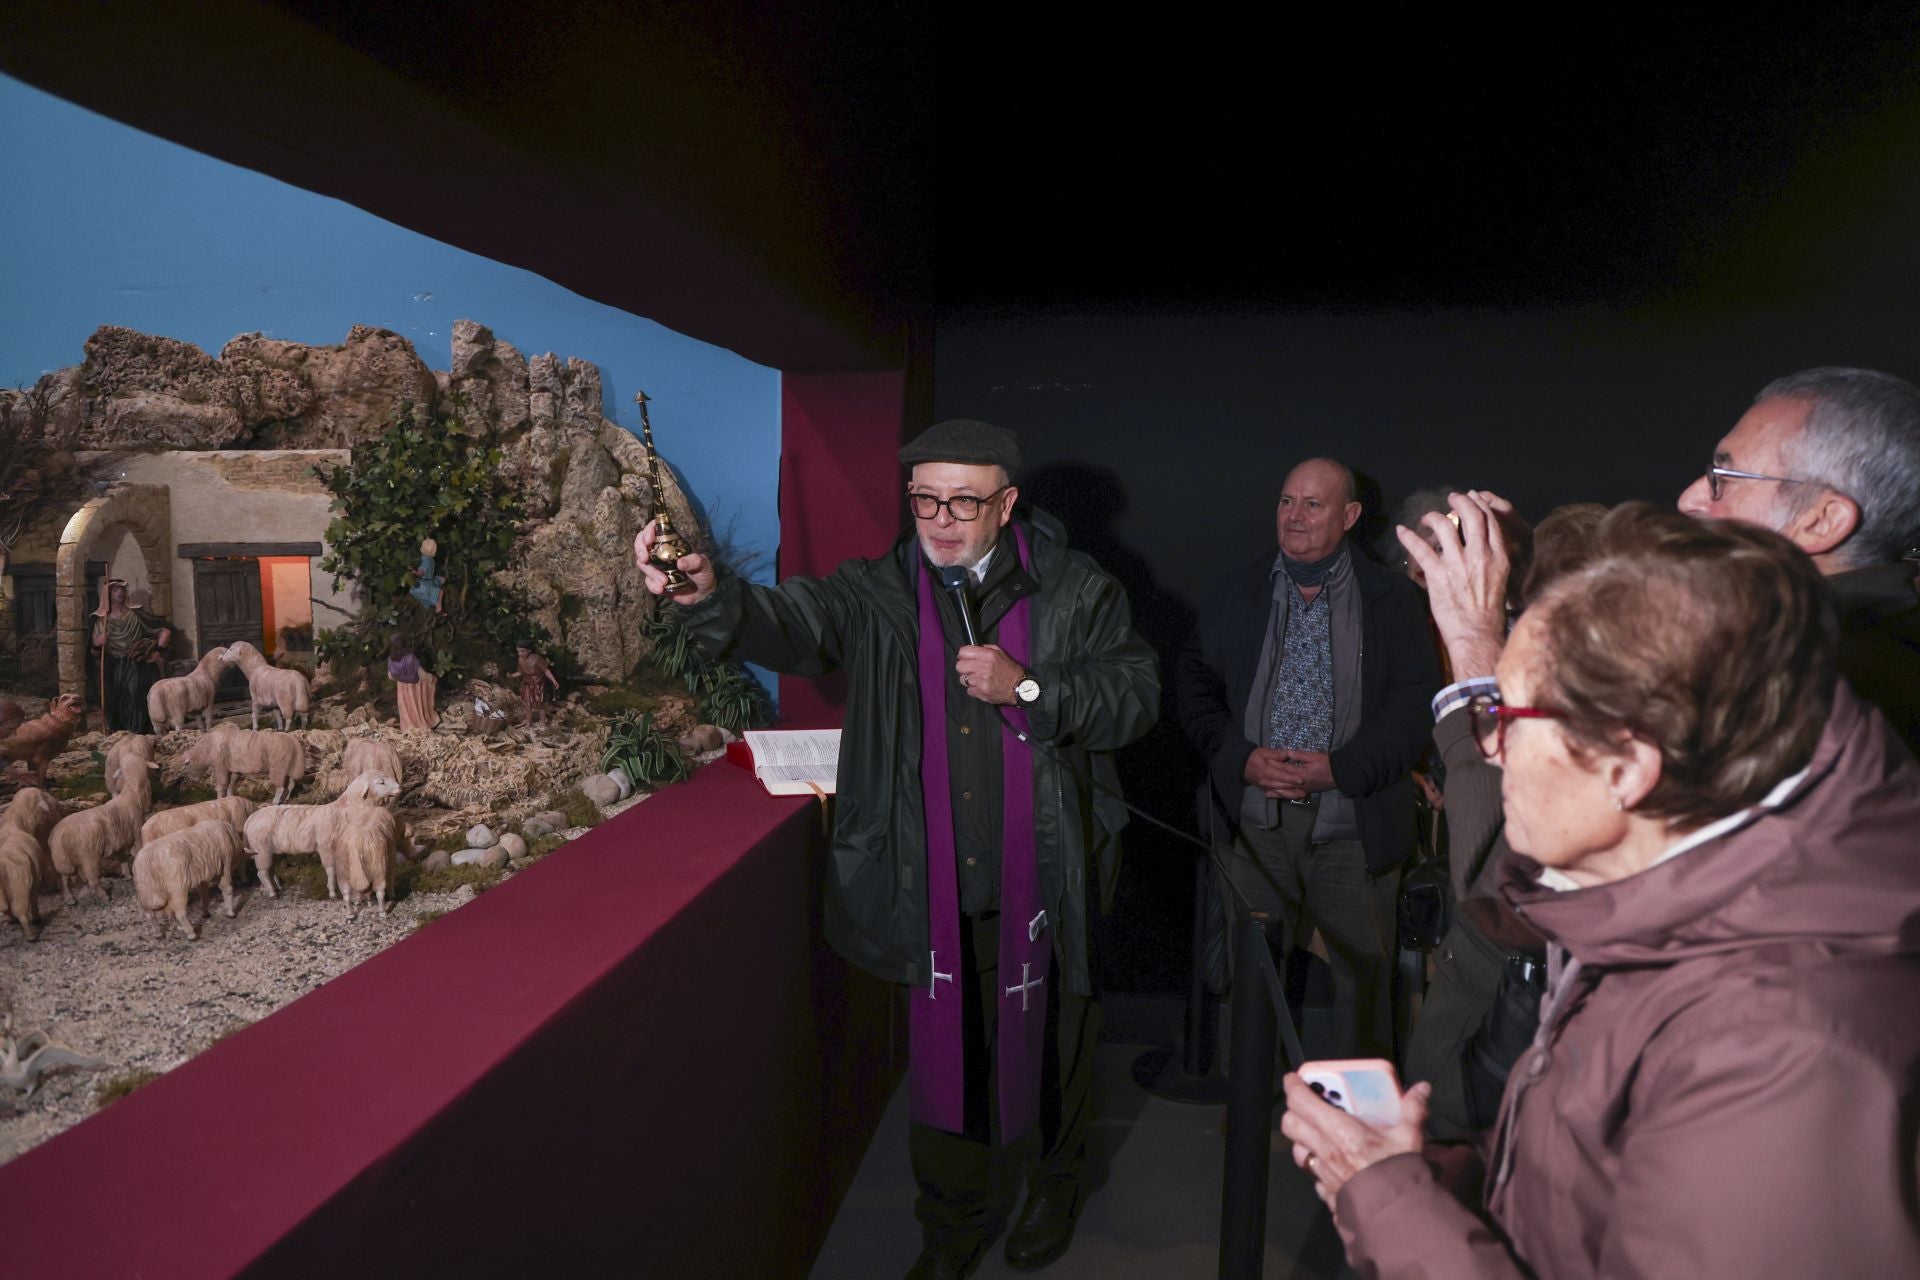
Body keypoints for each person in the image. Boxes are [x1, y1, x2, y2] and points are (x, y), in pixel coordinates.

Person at [1282, 503, 1920, 1279]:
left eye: (1511, 714)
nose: (1486, 744)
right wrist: (1426, 1174)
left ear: (1627, 767)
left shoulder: (1784, 1050)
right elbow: (1582, 1187)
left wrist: (1384, 1194)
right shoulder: (1647, 917)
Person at [633, 419, 1158, 1280]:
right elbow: (788, 620)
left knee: (1058, 1050)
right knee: (947, 1062)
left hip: (1050, 878)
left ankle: (1054, 1189)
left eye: (963, 499)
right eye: (924, 499)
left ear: (1008, 503)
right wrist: (707, 596)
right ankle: (950, 1230)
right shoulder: (880, 590)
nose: (942, 518)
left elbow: (1135, 695)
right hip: (931, 880)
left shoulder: (1076, 589)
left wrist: (1027, 685)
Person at [1175, 458, 1440, 1060]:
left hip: (1352, 825)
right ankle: (1250, 1124)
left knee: (1364, 988)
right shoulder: (1239, 592)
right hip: (1257, 823)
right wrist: (1239, 757)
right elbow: (1191, 683)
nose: (1294, 516)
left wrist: (1340, 770)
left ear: (1349, 517)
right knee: (1254, 981)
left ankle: (1363, 1130)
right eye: (1286, 501)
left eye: (1312, 505)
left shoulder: (1391, 600)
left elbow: (1416, 704)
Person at [1679, 367, 1920, 756]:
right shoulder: (1883, 651)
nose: (1689, 500)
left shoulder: (1794, 687)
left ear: (1822, 521)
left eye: (1724, 476)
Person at [90, 578, 172, 733]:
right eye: (115, 590)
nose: (120, 593)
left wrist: (157, 652)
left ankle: (138, 732)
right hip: (113, 667)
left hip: (135, 664)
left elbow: (164, 632)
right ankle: (119, 733)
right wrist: (98, 643)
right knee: (115, 701)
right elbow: (94, 653)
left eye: (122, 590)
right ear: (107, 594)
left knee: (134, 695)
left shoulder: (135, 615)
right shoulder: (100, 620)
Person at [388, 633, 439, 732]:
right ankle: (419, 724)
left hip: (402, 688)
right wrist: (431, 678)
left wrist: (401, 677)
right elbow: (422, 674)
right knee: (416, 705)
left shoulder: (391, 659)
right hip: (415, 686)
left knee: (406, 707)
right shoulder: (410, 657)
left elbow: (390, 676)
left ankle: (408, 725)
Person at [515, 642, 559, 727]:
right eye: (518, 651)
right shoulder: (520, 660)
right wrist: (512, 675)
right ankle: (528, 722)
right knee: (527, 703)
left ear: (529, 650)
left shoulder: (537, 659)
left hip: (538, 682)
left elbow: (546, 670)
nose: (520, 653)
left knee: (540, 703)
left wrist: (554, 681)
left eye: (523, 651)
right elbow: (520, 672)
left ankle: (543, 722)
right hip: (527, 682)